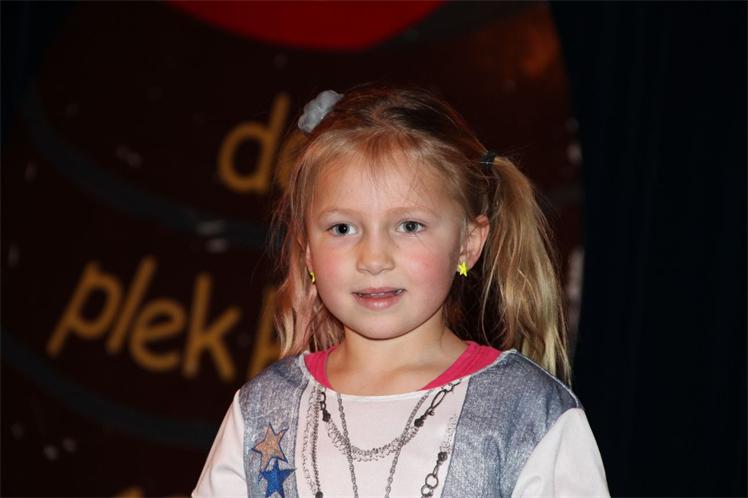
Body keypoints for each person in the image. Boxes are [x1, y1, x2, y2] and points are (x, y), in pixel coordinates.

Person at [193, 84, 608, 497]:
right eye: (342, 228)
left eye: (409, 226)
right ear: (306, 251)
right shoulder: (262, 411)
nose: (373, 259)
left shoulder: (527, 413)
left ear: (468, 243)